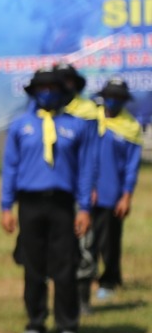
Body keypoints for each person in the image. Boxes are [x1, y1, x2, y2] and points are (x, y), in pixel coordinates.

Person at [0, 67, 96, 333]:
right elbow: (10, 167)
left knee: (65, 265)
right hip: (30, 203)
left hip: (62, 204)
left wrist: (84, 209)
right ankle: (36, 323)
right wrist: (6, 206)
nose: (47, 93)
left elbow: (85, 170)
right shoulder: (20, 126)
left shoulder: (76, 126)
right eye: (42, 88)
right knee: (33, 266)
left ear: (62, 92)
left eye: (53, 88)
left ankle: (67, 325)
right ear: (34, 92)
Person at [56, 63, 102, 312]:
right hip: (56, 185)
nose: (65, 85)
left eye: (69, 80)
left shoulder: (87, 111)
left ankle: (83, 297)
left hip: (80, 185)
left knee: (84, 239)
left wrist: (92, 184)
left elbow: (92, 154)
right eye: (60, 80)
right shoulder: (48, 109)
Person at [91, 77, 141, 300]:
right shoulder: (91, 121)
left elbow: (131, 167)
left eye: (118, 98)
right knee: (85, 239)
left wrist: (126, 196)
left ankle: (110, 280)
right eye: (110, 97)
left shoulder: (130, 127)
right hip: (88, 193)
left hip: (113, 194)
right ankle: (87, 275)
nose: (113, 101)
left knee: (110, 240)